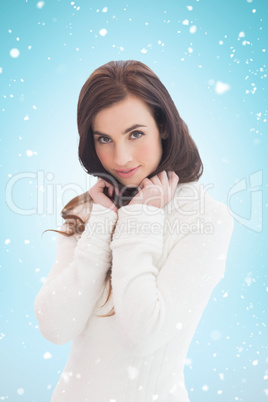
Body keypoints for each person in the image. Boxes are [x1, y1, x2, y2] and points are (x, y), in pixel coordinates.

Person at [34, 60, 234, 402]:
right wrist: (101, 225)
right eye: (104, 139)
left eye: (135, 133)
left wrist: (140, 220)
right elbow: (55, 327)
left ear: (164, 127)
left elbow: (144, 335)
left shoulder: (207, 220)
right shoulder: (90, 209)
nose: (120, 157)